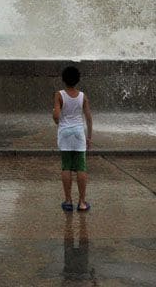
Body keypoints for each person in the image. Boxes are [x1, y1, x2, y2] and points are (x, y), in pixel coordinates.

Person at [53, 65, 93, 212]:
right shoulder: (83, 96)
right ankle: (82, 202)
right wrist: (89, 137)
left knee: (66, 167)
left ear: (64, 79)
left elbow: (57, 116)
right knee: (81, 167)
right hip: (78, 133)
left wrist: (56, 119)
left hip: (65, 133)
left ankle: (68, 201)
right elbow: (88, 118)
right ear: (77, 80)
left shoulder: (59, 95)